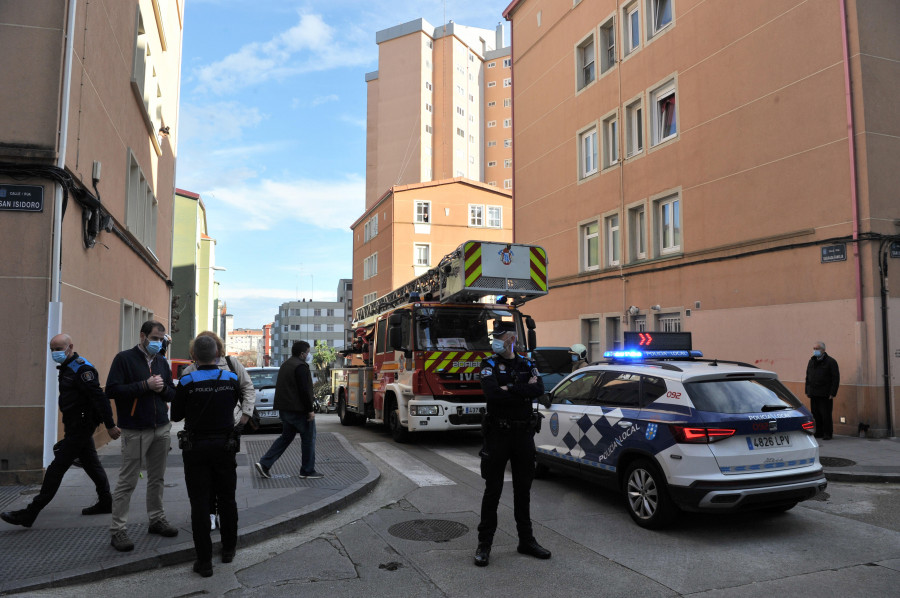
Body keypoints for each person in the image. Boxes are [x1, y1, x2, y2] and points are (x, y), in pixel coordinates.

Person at [1, 334, 121, 528]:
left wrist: (110, 425)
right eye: (52, 349)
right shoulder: (67, 367)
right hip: (75, 426)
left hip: (81, 428)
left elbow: (99, 397)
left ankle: (29, 513)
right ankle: (106, 502)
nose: (55, 353)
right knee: (91, 464)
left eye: (58, 348)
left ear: (70, 347)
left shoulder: (82, 369)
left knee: (56, 470)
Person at [474, 320, 551, 567]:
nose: (496, 341)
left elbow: (538, 388)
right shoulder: (488, 364)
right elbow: (492, 394)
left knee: (523, 490)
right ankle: (484, 545)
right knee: (493, 491)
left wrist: (509, 387)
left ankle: (526, 541)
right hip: (498, 435)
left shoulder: (527, 363)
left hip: (523, 436)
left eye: (501, 336)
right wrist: (520, 389)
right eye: (495, 336)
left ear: (511, 339)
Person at [172, 334, 243, 577]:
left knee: (200, 503)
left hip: (196, 449)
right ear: (217, 354)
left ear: (194, 356)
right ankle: (229, 549)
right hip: (225, 446)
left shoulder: (187, 381)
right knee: (227, 499)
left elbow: (176, 416)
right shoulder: (231, 379)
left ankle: (204, 562)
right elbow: (235, 403)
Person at [105, 320, 179, 552]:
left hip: (160, 427)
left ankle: (156, 519)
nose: (158, 343)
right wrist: (144, 386)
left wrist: (161, 389)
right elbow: (112, 390)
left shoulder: (161, 362)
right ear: (142, 336)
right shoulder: (124, 359)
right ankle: (118, 530)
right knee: (127, 481)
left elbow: (171, 393)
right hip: (135, 429)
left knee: (157, 478)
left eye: (161, 339)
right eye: (155, 338)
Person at [180, 331, 254, 531]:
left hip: (226, 430)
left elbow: (247, 387)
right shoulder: (189, 371)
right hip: (203, 433)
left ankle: (219, 516)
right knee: (211, 483)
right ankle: (212, 515)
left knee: (222, 484)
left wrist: (246, 415)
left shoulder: (231, 365)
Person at [254, 341, 322, 480]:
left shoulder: (286, 365)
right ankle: (307, 471)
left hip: (285, 409)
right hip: (299, 410)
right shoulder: (301, 367)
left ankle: (264, 464)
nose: (309, 355)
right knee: (309, 438)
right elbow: (304, 390)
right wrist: (310, 410)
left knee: (286, 437)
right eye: (308, 352)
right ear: (302, 354)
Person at [805, 340, 840, 441]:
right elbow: (808, 377)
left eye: (817, 349)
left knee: (826, 414)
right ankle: (819, 432)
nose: (815, 351)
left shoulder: (831, 362)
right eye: (814, 349)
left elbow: (835, 378)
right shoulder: (811, 361)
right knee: (815, 414)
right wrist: (808, 390)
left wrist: (833, 393)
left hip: (825, 393)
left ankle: (827, 433)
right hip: (814, 392)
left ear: (823, 350)